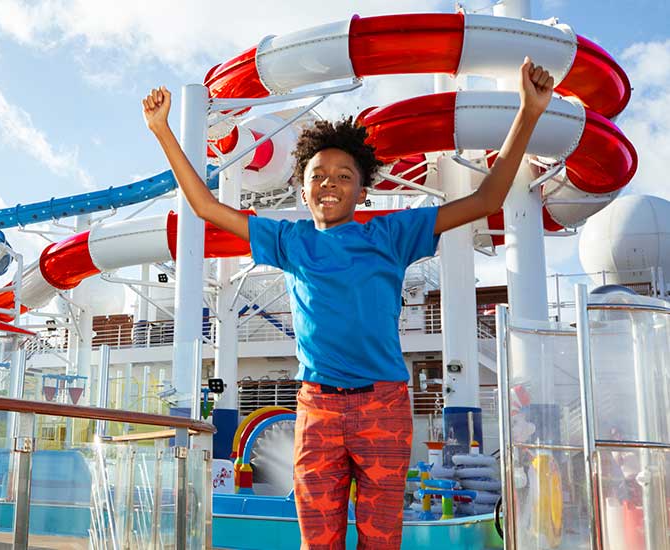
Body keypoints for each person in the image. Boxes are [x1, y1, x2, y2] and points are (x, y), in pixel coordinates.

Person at [143, 58, 555, 549]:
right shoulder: (290, 240)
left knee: (381, 540)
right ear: (302, 188)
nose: (330, 183)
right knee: (318, 541)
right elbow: (206, 207)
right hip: (317, 407)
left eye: (343, 176)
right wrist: (162, 130)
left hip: (383, 406)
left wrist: (529, 112)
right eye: (318, 175)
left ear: (362, 189)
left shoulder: (392, 233)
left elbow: (485, 200)